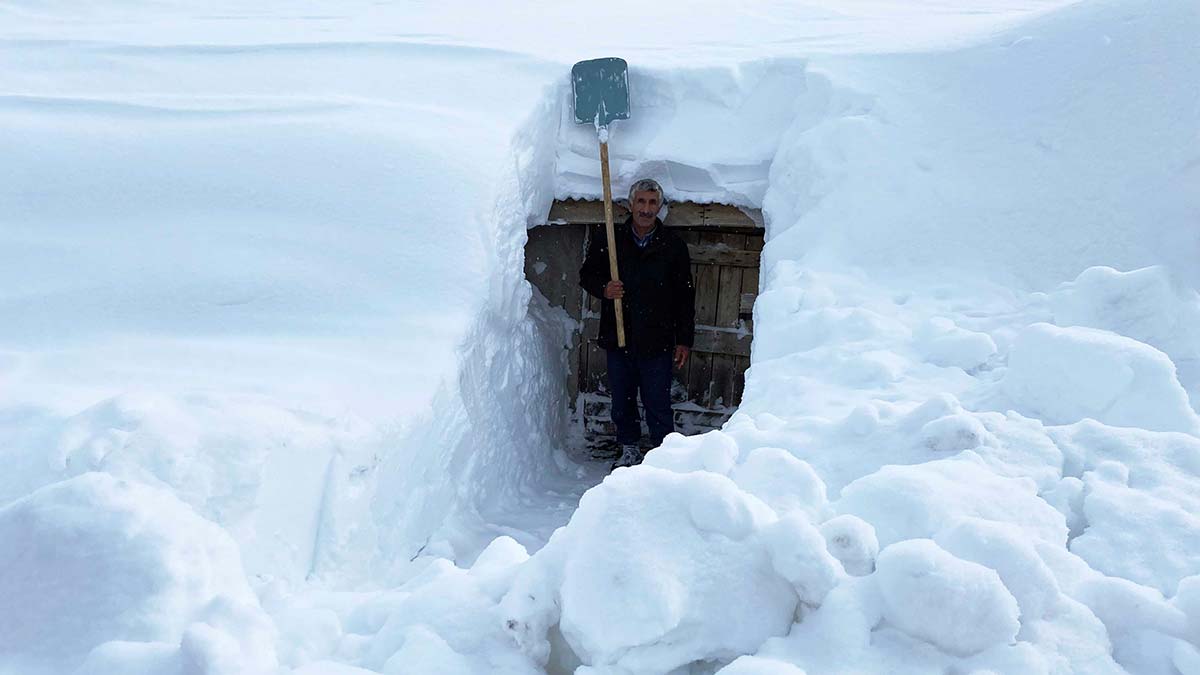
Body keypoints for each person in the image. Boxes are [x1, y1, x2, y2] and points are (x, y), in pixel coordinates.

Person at [579, 178, 695, 469]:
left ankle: (662, 456)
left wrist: (684, 339)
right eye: (640, 202)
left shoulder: (672, 246)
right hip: (619, 336)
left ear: (660, 207)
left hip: (657, 338)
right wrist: (604, 288)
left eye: (652, 202)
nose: (646, 208)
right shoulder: (611, 239)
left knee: (657, 402)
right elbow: (587, 275)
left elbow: (684, 295)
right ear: (630, 204)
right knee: (622, 401)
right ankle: (628, 449)